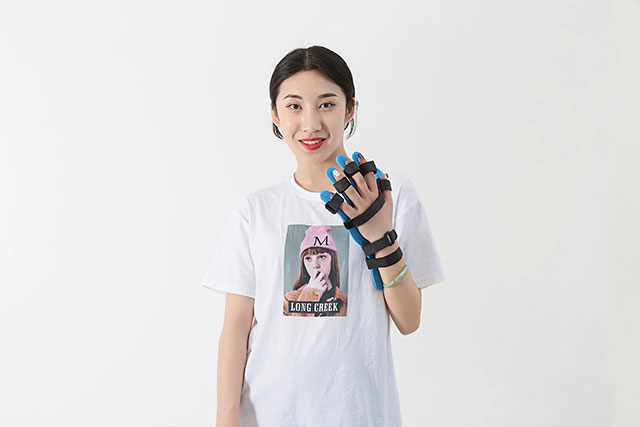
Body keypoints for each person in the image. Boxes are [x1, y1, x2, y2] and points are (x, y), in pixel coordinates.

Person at [201, 45, 445, 427]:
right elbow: (235, 327)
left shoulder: (390, 195)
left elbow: (409, 320)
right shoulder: (255, 212)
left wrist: (380, 237)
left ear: (350, 110)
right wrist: (226, 419)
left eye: (327, 104)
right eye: (295, 106)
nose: (311, 124)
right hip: (267, 414)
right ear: (275, 113)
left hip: (360, 414)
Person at [283, 225, 348, 317]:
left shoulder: (344, 302)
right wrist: (311, 293)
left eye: (322, 257)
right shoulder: (289, 300)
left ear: (332, 260)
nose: (315, 265)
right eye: (308, 258)